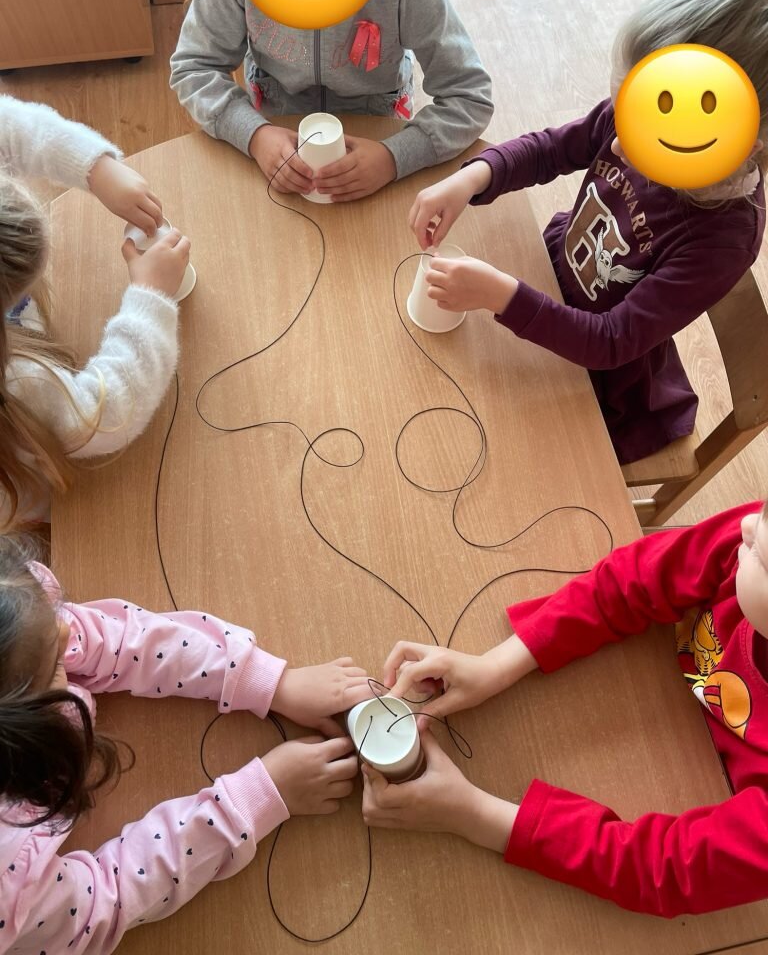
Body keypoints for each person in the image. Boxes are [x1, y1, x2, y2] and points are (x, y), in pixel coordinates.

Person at [408, 0, 768, 464]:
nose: (616, 142)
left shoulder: (722, 240)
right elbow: (552, 149)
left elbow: (611, 341)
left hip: (598, 376)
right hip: (551, 277)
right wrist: (472, 178)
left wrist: (500, 295)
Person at [363, 501, 768, 917]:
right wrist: (497, 666)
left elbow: (668, 871)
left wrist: (472, 814)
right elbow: (636, 578)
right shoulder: (750, 533)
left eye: (762, 558)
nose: (746, 524)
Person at [0, 534, 369, 951]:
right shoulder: (9, 895)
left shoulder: (20, 618)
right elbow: (108, 897)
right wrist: (256, 798)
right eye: (54, 665)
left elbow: (118, 641)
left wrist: (266, 682)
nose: (67, 629)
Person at [170, 0, 493, 202]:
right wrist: (254, 135)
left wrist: (394, 157)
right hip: (275, 131)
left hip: (376, 135)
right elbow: (194, 67)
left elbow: (470, 97)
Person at [0, 94, 189, 527]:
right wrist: (149, 298)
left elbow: (9, 127)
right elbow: (104, 416)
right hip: (25, 503)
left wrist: (95, 167)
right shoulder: (16, 385)